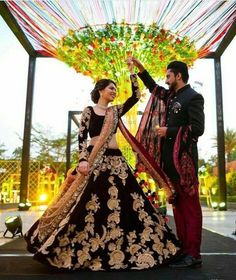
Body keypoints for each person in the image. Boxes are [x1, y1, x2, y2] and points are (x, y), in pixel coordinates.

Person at [24, 59, 180, 271]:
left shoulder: (115, 111)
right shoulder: (89, 110)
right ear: (100, 90)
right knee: (87, 203)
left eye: (115, 89)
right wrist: (82, 160)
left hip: (116, 161)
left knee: (131, 202)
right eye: (111, 88)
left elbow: (135, 96)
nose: (114, 92)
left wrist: (132, 72)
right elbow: (81, 137)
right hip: (94, 160)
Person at [131, 57, 204, 268]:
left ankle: (194, 253)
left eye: (168, 75)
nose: (166, 78)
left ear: (178, 76)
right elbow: (154, 88)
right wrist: (140, 68)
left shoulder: (193, 97)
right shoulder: (171, 96)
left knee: (190, 208)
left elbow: (198, 129)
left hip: (185, 162)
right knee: (178, 207)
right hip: (170, 162)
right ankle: (184, 249)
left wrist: (168, 131)